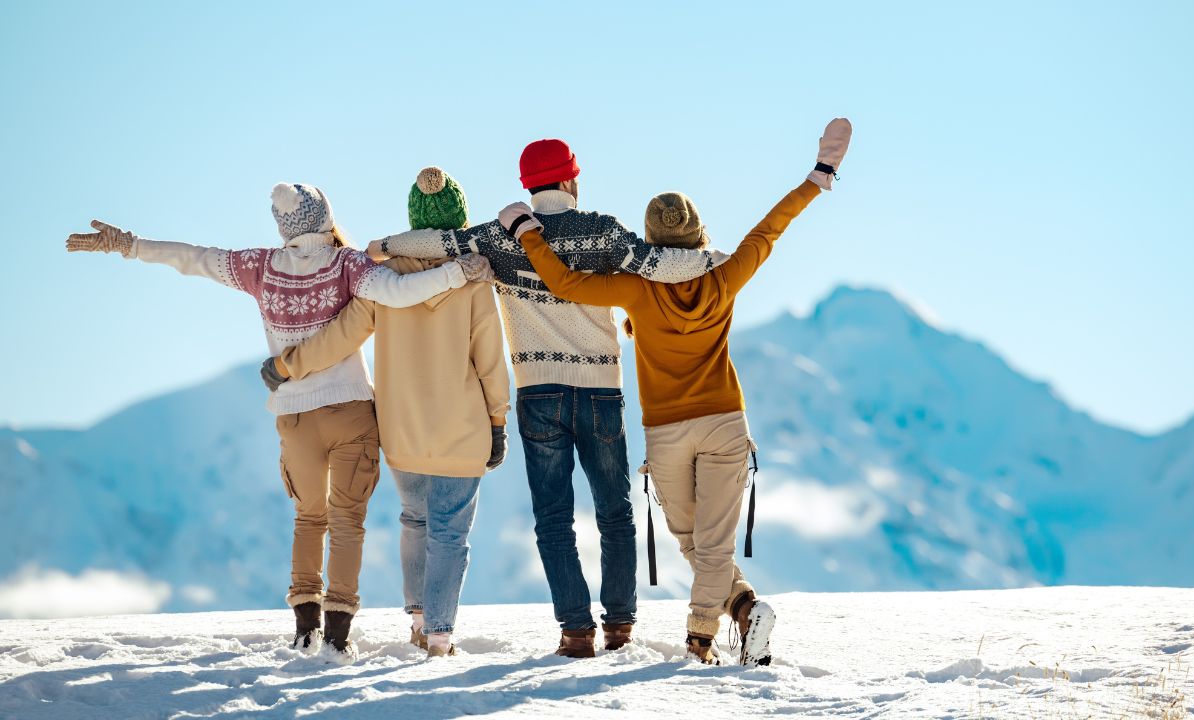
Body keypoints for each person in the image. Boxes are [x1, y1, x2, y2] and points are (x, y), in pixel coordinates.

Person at [64, 183, 493, 661]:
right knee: (348, 523)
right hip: (351, 409)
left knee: (309, 519)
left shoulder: (260, 267)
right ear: (325, 215)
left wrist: (129, 245)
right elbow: (401, 290)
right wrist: (458, 273)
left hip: (294, 415)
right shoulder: (348, 264)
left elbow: (195, 258)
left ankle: (305, 627)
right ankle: (337, 635)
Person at [498, 118, 852, 665]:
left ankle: (700, 640)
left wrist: (526, 233)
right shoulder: (724, 276)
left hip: (665, 433)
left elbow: (565, 283)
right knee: (702, 545)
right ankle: (745, 609)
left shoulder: (636, 289)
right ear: (698, 235)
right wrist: (818, 175)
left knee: (698, 543)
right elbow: (769, 229)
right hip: (725, 425)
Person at [366, 141, 722, 657]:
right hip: (600, 390)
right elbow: (660, 264)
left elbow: (439, 242)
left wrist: (381, 244)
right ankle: (620, 626)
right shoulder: (600, 229)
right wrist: (720, 260)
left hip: (538, 392)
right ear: (572, 181)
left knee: (553, 517)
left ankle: (575, 631)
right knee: (614, 512)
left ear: (528, 187)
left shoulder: (499, 237)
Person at [262, 168, 508, 658]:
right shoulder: (474, 280)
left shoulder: (385, 278)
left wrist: (288, 365)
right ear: (457, 221)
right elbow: (490, 362)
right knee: (449, 532)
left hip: (400, 430)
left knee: (415, 520)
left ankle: (419, 623)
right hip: (462, 428)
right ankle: (439, 636)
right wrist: (498, 421)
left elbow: (341, 336)